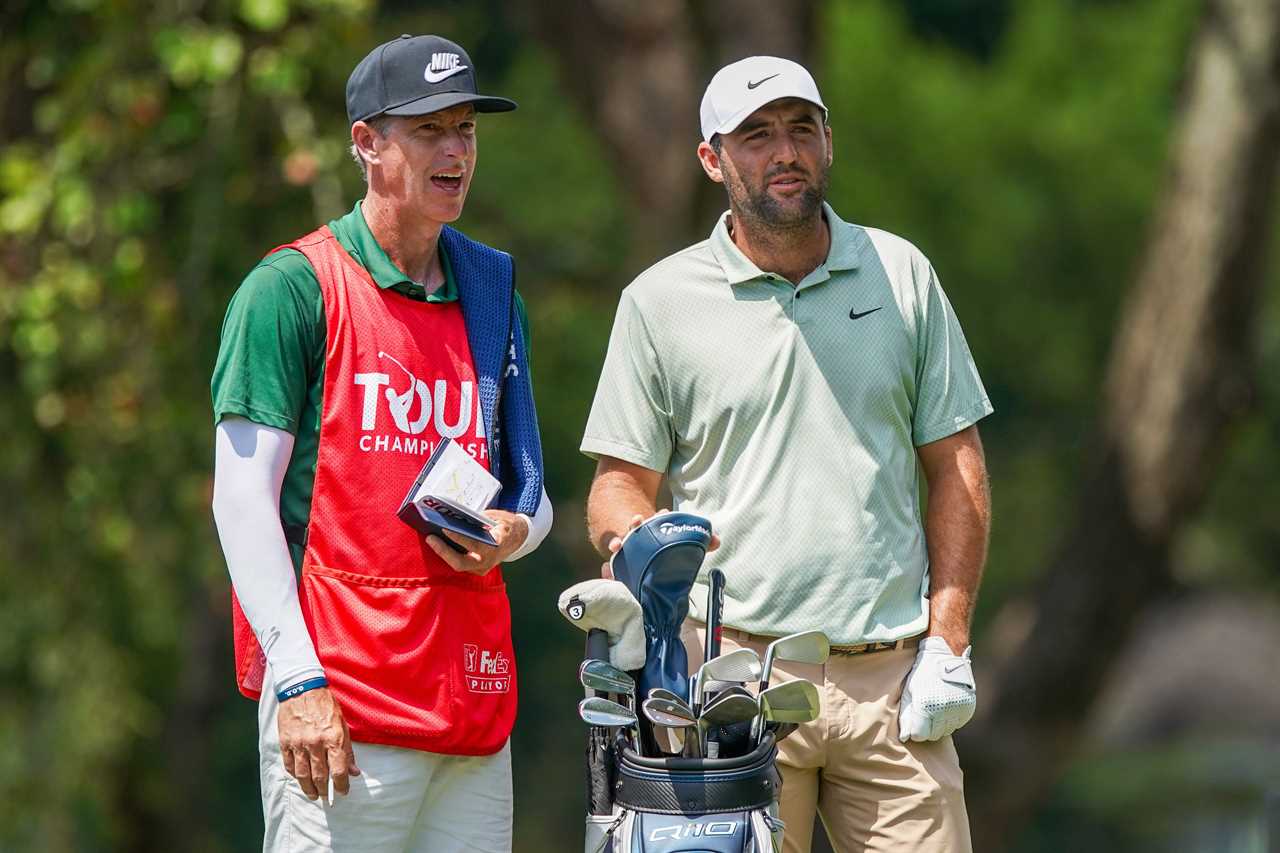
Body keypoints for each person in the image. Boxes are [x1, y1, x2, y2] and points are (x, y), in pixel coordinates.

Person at [581, 55, 991, 852]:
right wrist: (641, 542)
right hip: (733, 685)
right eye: (757, 135)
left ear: (828, 142)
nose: (785, 153)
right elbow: (617, 488)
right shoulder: (659, 302)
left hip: (894, 684)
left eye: (802, 129)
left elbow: (958, 467)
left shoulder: (902, 273)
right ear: (712, 158)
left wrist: (949, 640)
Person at [210, 34, 551, 853]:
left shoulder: (494, 289)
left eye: (466, 128)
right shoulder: (290, 288)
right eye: (430, 128)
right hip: (340, 705)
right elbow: (240, 499)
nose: (456, 150)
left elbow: (531, 496)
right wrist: (297, 679)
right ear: (366, 142)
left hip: (469, 707)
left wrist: (512, 533)